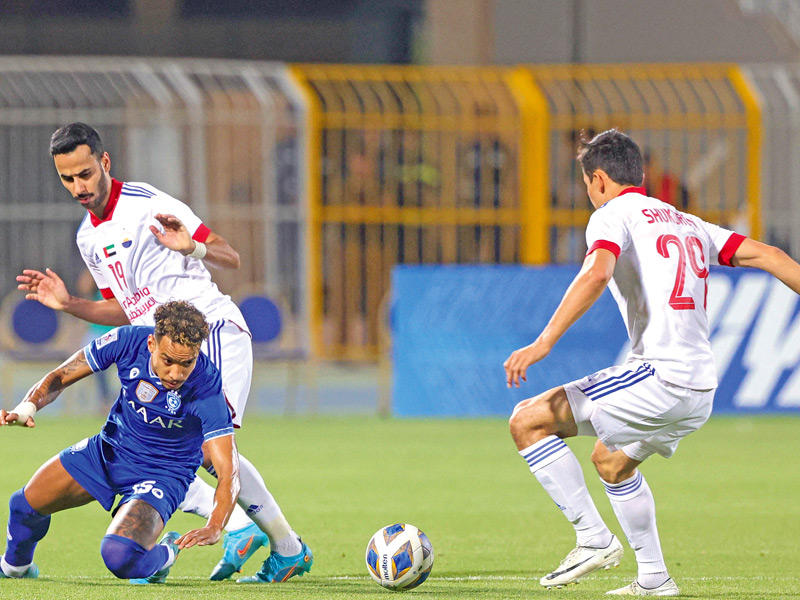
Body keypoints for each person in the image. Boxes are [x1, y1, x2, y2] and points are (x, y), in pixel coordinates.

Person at [503, 129, 800, 596]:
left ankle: (592, 538)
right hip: (701, 388)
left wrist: (543, 343)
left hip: (660, 378)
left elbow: (596, 272)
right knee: (612, 462)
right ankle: (655, 579)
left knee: (528, 422)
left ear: (598, 180)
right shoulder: (688, 222)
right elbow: (771, 255)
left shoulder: (612, 214)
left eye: (586, 183)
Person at [16, 122, 312, 583]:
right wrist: (69, 304)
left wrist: (191, 246)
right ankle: (282, 547)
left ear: (105, 163)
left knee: (203, 448)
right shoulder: (87, 238)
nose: (79, 186)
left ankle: (245, 532)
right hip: (159, 348)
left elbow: (228, 255)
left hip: (207, 331)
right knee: (194, 448)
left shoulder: (148, 204)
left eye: (86, 174)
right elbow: (126, 308)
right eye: (67, 179)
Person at [0, 301, 238, 582]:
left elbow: (228, 472)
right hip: (109, 451)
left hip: (163, 474)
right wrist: (28, 407)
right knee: (24, 505)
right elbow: (61, 376)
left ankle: (167, 552)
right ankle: (16, 568)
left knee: (120, 557)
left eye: (187, 363)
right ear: (152, 343)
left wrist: (215, 525)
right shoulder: (127, 341)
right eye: (168, 361)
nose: (176, 373)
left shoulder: (207, 386)